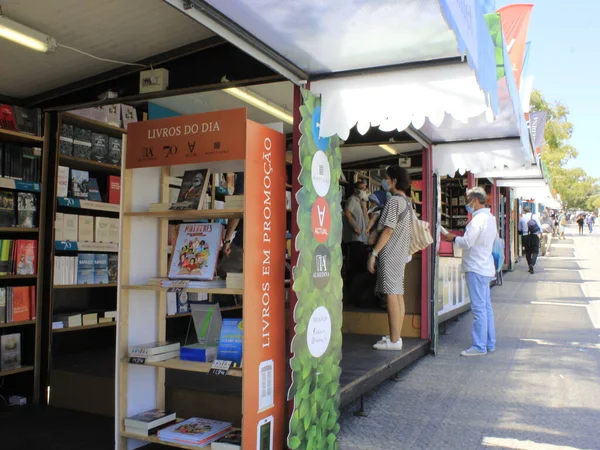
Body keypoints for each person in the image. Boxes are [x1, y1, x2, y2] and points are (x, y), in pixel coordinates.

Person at [442, 187, 497, 356]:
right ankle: (489, 342)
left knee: (479, 309)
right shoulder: (490, 219)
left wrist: (452, 238)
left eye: (468, 200)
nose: (467, 204)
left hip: (476, 267)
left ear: (475, 200)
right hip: (485, 267)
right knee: (485, 308)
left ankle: (479, 346)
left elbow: (467, 242)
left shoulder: (478, 220)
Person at [367, 166, 412, 351]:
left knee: (391, 295)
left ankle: (394, 341)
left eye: (386, 178)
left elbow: (388, 229)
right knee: (398, 294)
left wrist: (374, 253)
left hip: (391, 253)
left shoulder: (394, 201)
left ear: (393, 181)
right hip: (400, 253)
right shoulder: (407, 202)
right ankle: (396, 336)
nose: (383, 182)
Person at [343, 181, 369, 280]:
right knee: (355, 264)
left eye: (365, 188)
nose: (364, 191)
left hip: (362, 238)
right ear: (356, 190)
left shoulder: (361, 202)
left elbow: (366, 220)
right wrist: (354, 227)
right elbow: (347, 213)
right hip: (354, 238)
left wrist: (364, 207)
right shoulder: (352, 200)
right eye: (362, 188)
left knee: (361, 265)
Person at [519, 206, 542, 274]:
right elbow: (539, 227)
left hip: (526, 237)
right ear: (530, 210)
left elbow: (519, 229)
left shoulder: (522, 218)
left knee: (528, 252)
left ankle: (530, 266)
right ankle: (532, 263)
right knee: (535, 252)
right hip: (534, 236)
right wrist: (540, 234)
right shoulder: (534, 216)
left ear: (524, 211)